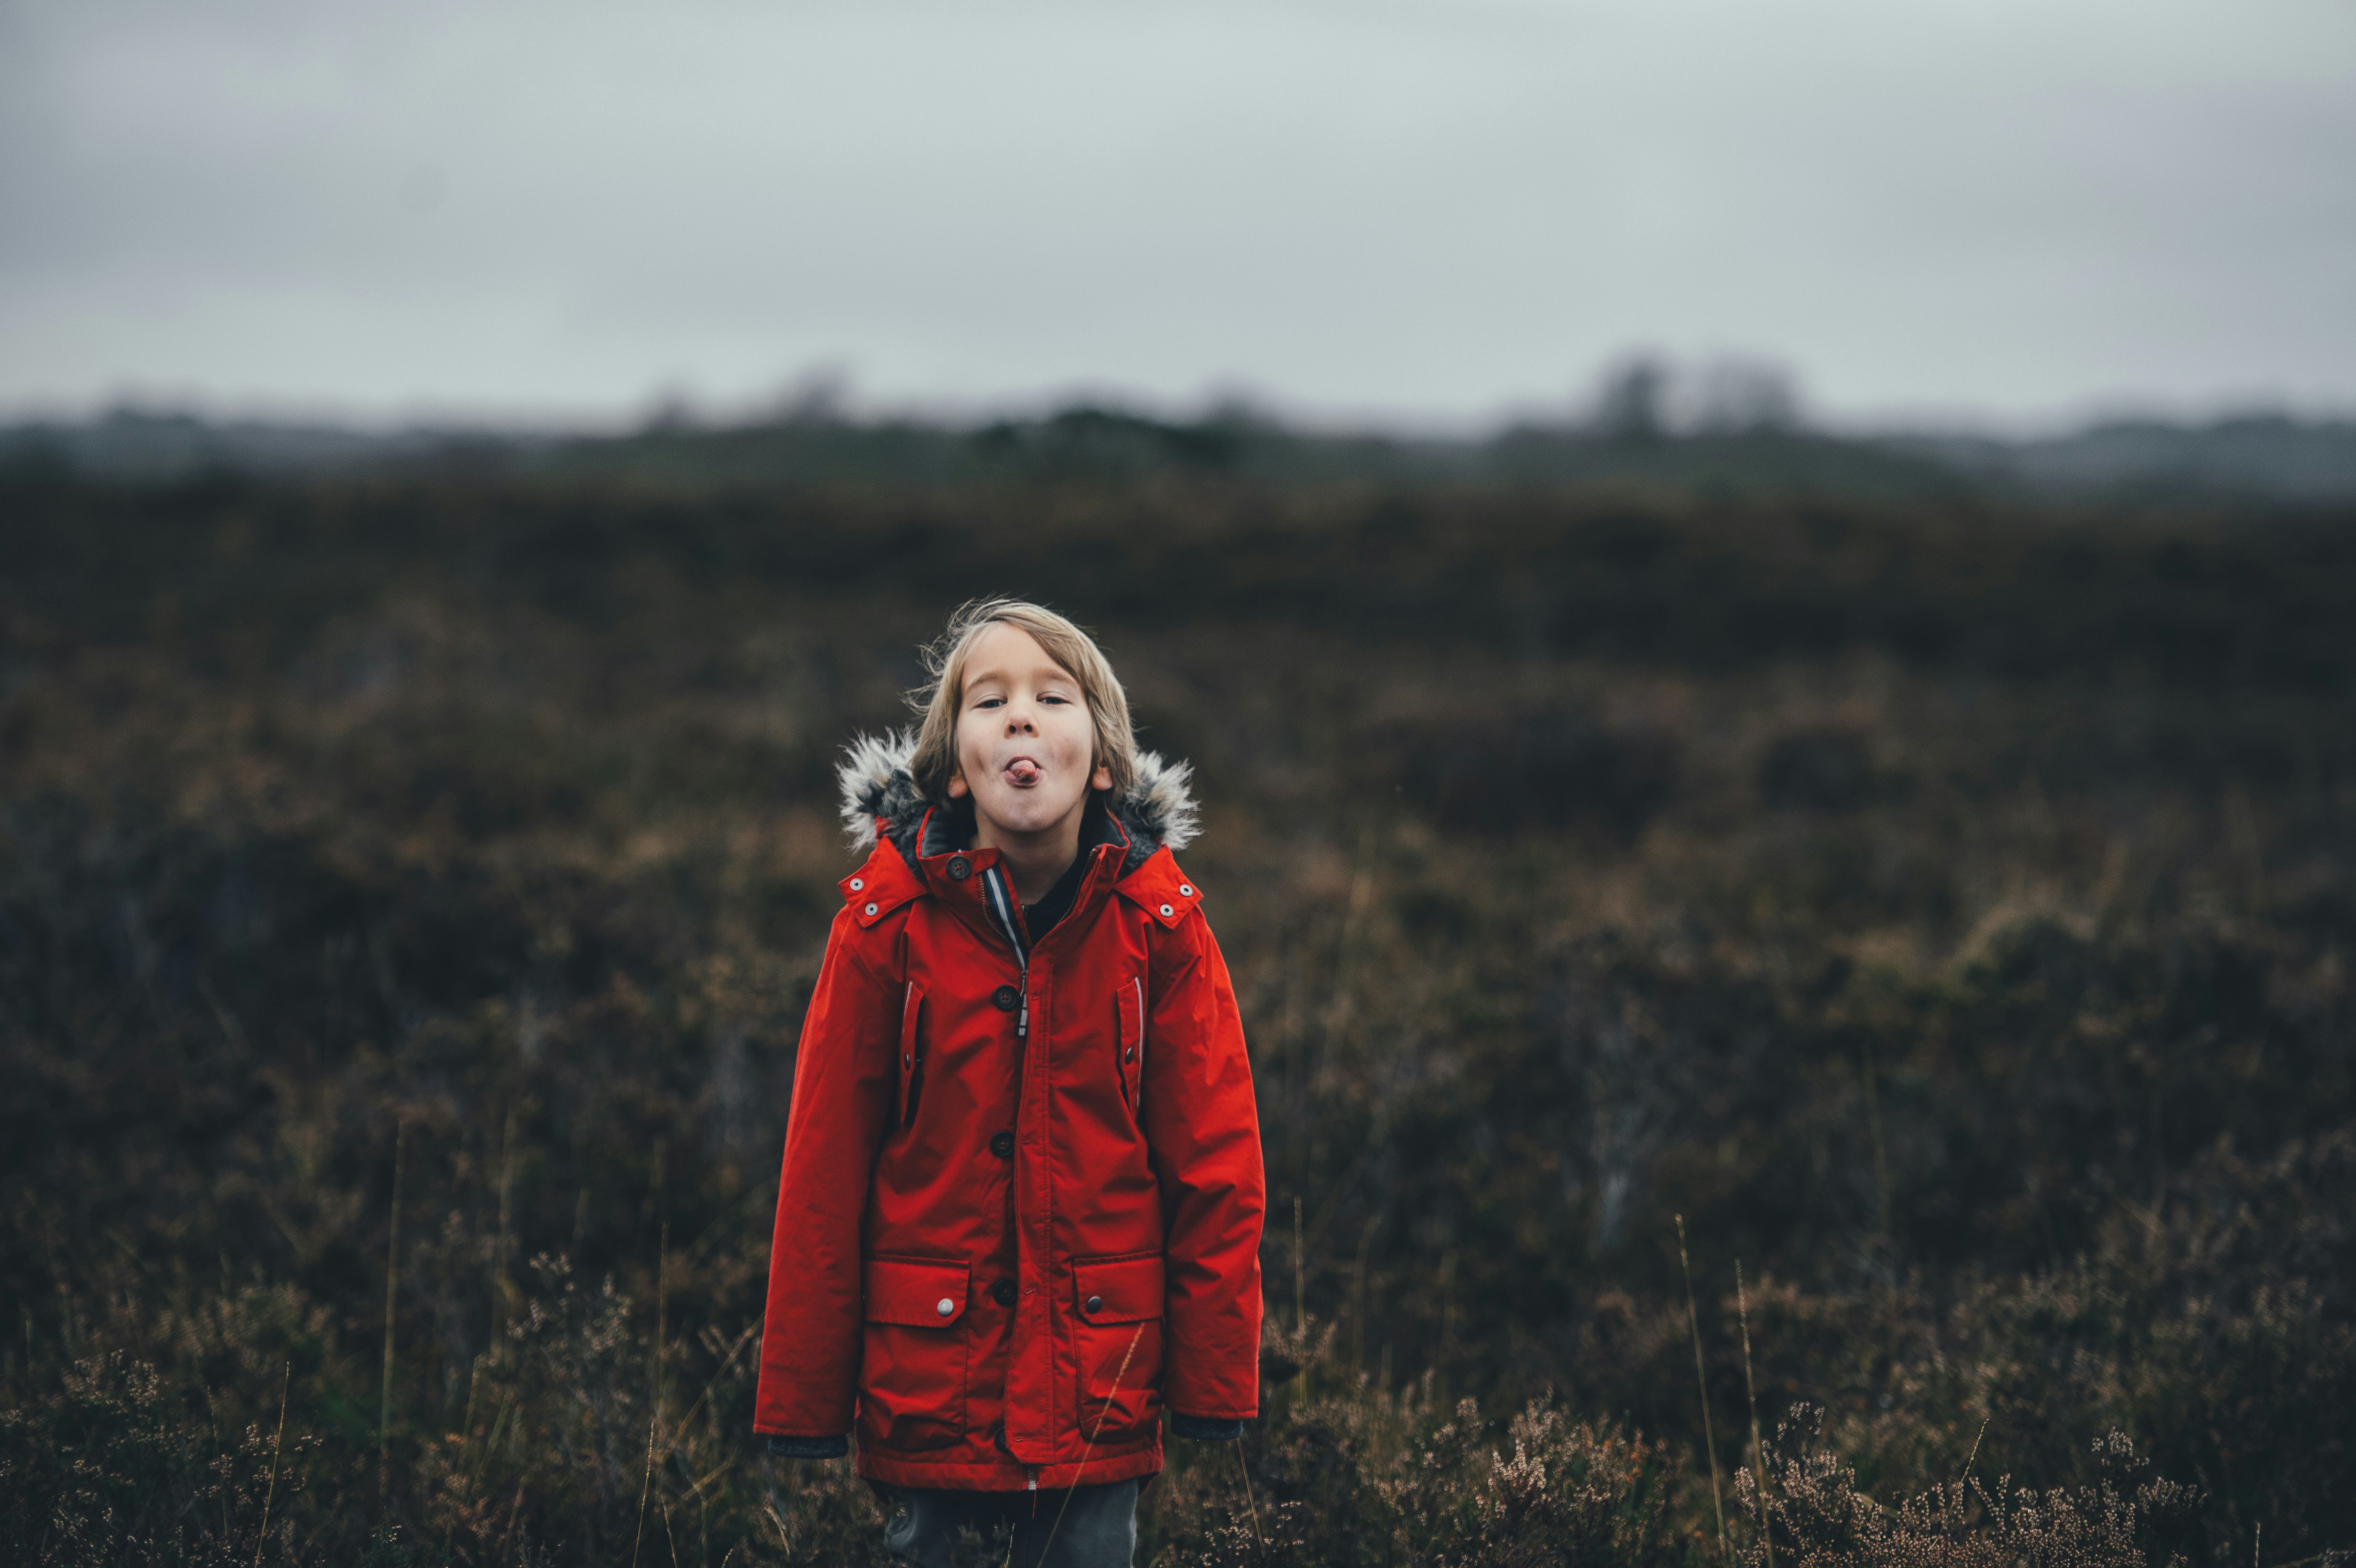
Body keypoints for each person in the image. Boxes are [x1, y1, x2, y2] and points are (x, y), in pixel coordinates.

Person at [754, 599, 1266, 1568]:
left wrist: (1212, 1379)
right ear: (954, 766)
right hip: (926, 1387)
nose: (1021, 716)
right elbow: (821, 1173)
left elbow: (1217, 1168)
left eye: (1052, 696)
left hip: (1100, 1388)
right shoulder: (882, 927)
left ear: (1103, 758)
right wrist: (803, 1398)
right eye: (989, 700)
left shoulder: (1162, 928)